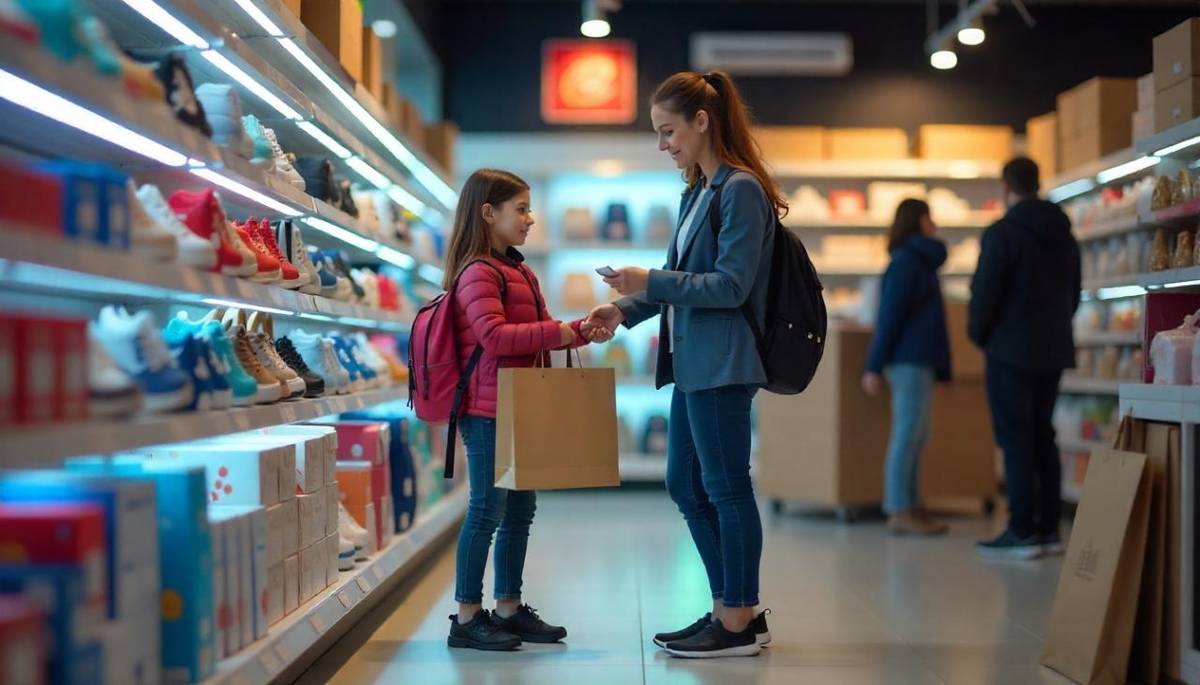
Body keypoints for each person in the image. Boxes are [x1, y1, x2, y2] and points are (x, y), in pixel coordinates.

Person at [586, 70, 776, 659]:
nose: (663, 144)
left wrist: (651, 278)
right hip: (694, 363)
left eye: (669, 132)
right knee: (685, 484)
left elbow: (730, 286)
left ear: (701, 121)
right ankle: (731, 605)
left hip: (722, 363)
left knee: (724, 488)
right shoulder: (699, 192)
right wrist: (625, 308)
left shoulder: (740, 189)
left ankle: (738, 616)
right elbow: (684, 284)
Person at [443, 168, 612, 651]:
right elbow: (494, 338)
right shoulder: (477, 271)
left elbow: (538, 331)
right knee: (485, 509)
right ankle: (466, 616)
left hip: (519, 404)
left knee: (521, 508)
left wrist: (583, 329)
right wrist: (561, 330)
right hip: (487, 408)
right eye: (521, 209)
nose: (531, 219)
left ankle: (509, 607)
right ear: (488, 213)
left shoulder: (518, 269)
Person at [968, 156, 1080, 561]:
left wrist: (979, 335)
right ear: (1038, 183)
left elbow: (985, 294)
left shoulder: (1003, 233)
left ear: (1006, 187)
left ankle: (1021, 529)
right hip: (1052, 348)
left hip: (1009, 349)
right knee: (1042, 434)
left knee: (1015, 437)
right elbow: (1075, 293)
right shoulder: (1064, 233)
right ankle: (1049, 529)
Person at [862, 198, 951, 537]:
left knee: (916, 435)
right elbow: (890, 317)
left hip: (919, 360)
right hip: (908, 361)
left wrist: (944, 370)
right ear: (918, 221)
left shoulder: (918, 263)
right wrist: (874, 365)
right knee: (907, 434)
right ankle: (899, 508)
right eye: (929, 216)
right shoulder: (907, 263)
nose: (935, 223)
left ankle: (911, 505)